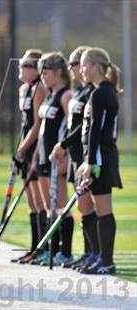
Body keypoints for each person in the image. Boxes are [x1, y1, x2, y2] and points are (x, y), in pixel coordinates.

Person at [50, 46, 98, 270]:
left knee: (88, 205)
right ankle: (89, 253)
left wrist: (63, 144)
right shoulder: (80, 91)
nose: (71, 68)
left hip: (85, 153)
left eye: (74, 64)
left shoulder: (92, 92)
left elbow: (83, 127)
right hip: (77, 155)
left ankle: (95, 254)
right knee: (82, 206)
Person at [76, 47, 122, 274]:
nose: (81, 70)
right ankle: (99, 257)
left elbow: (97, 130)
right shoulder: (99, 92)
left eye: (84, 65)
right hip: (95, 157)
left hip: (101, 158)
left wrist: (91, 162)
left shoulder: (101, 93)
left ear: (95, 66)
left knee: (103, 209)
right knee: (89, 206)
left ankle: (107, 261)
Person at [29, 52, 73, 266]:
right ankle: (51, 250)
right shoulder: (48, 95)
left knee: (61, 205)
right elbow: (42, 130)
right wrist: (36, 156)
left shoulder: (66, 95)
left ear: (58, 72)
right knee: (49, 206)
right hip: (44, 157)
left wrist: (67, 154)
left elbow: (72, 128)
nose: (42, 77)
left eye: (45, 73)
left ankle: (65, 251)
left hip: (58, 159)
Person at [11, 49, 47, 264]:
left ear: (36, 69)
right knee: (31, 202)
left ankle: (43, 247)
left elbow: (37, 124)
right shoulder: (24, 89)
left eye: (26, 65)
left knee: (40, 201)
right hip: (25, 147)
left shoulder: (39, 88)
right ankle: (34, 248)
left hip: (34, 147)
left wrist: (22, 149)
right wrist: (19, 150)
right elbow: (25, 125)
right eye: (21, 64)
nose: (21, 68)